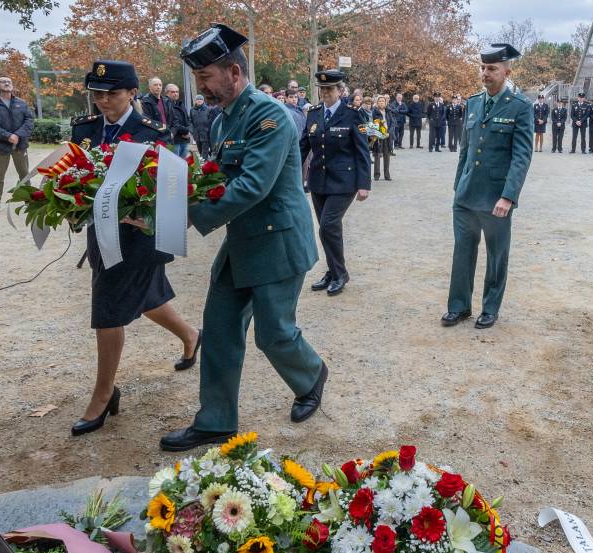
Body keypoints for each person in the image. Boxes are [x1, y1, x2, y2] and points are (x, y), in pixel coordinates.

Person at [160, 24, 328, 452]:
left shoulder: (269, 117)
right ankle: (216, 420)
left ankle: (311, 376)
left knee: (273, 335)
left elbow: (252, 186)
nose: (202, 88)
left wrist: (187, 216)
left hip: (278, 241)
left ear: (234, 72)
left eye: (206, 79)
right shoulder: (222, 120)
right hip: (242, 242)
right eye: (198, 80)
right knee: (218, 329)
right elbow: (217, 178)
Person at [68, 60, 200, 437]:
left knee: (108, 310)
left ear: (131, 94)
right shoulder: (85, 129)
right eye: (97, 93)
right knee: (148, 299)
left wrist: (143, 212)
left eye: (112, 93)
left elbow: (176, 186)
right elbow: (72, 174)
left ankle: (104, 393)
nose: (103, 101)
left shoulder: (152, 133)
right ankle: (191, 336)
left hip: (140, 237)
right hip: (101, 235)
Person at [443, 43, 533, 331]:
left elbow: (521, 157)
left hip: (496, 198)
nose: (485, 73)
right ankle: (458, 307)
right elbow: (465, 150)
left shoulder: (520, 107)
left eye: (492, 68)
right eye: (482, 68)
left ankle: (490, 307)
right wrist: (459, 187)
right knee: (462, 252)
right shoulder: (473, 102)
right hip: (467, 195)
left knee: (496, 255)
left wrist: (508, 196)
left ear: (507, 71)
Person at [300, 68, 371, 296]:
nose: (325, 93)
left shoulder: (353, 114)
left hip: (344, 181)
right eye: (322, 89)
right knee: (327, 228)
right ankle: (333, 271)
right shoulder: (313, 113)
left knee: (328, 225)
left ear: (340, 91)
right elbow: (303, 147)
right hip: (319, 180)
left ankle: (340, 273)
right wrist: (289, 172)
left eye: (329, 89)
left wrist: (364, 184)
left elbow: (362, 151)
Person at [0, 75, 33, 214]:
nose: (7, 83)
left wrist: (18, 135)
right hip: (0, 146)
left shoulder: (21, 103)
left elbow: (29, 121)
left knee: (24, 174)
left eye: (9, 81)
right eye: (3, 81)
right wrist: (7, 136)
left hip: (20, 145)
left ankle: (29, 201)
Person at [371, 94, 393, 181]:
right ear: (377, 103)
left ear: (385, 103)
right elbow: (373, 124)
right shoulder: (374, 112)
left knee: (387, 155)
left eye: (383, 101)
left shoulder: (388, 111)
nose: (381, 103)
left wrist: (389, 133)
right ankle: (376, 175)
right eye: (379, 101)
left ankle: (387, 175)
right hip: (378, 136)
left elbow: (392, 123)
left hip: (387, 135)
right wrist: (381, 132)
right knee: (377, 155)